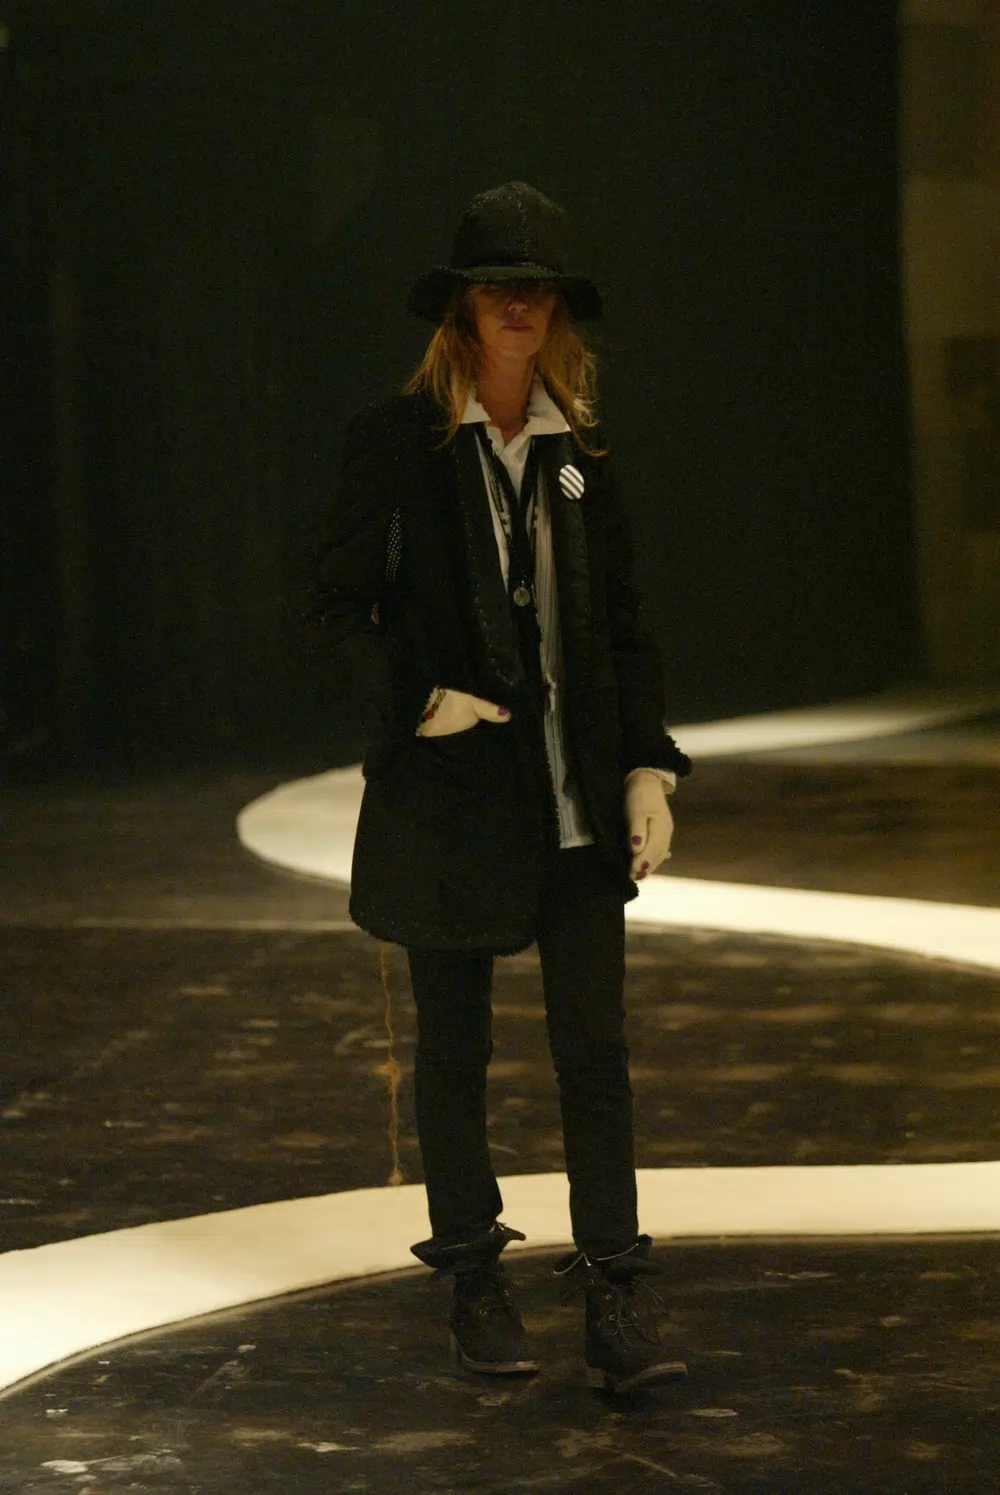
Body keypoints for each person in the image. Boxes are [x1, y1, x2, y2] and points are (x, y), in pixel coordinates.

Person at [311, 181, 692, 1393]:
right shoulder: (400, 441)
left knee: (595, 1051)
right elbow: (334, 611)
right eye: (496, 286)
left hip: (574, 798)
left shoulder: (583, 452)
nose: (517, 304)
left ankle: (614, 1290)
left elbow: (622, 626)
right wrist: (417, 702)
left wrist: (647, 768)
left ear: (558, 309)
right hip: (452, 793)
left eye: (536, 287)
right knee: (454, 1049)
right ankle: (475, 1278)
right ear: (463, 307)